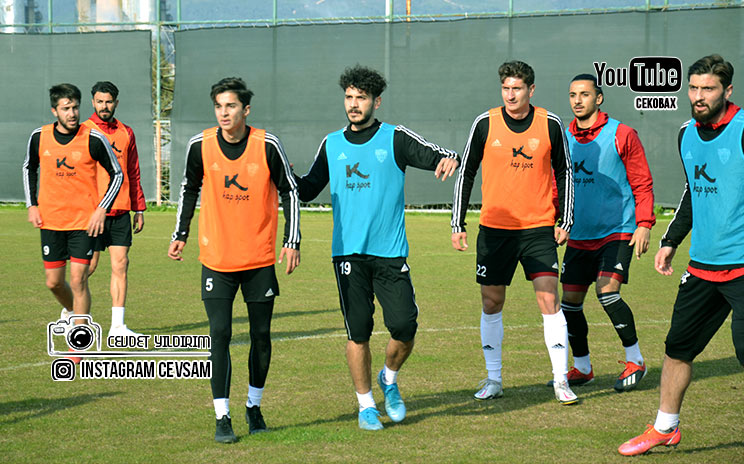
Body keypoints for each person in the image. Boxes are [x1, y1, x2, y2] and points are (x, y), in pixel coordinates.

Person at [295, 65, 459, 431]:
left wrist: (450, 159)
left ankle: (389, 377)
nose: (354, 104)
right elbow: (307, 189)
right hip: (347, 254)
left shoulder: (395, 138)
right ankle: (366, 405)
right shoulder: (331, 143)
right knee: (358, 332)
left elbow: (439, 154)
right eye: (349, 97)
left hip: (389, 252)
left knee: (404, 326)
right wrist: (283, 177)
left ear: (376, 102)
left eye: (362, 98)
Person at [619, 55, 744, 455]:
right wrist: (671, 240)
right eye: (693, 88)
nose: (698, 96)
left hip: (742, 266)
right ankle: (665, 427)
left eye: (708, 88)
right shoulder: (685, 134)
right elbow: (693, 192)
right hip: (703, 266)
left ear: (727, 91)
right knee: (678, 348)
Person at [168, 77, 300, 444]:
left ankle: (253, 407)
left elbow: (290, 191)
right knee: (220, 334)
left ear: (246, 109)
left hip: (258, 259)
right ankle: (222, 416)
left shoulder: (267, 145)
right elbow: (188, 189)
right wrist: (180, 234)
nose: (224, 113)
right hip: (217, 258)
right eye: (218, 106)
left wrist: (292, 241)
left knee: (261, 336)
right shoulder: (200, 146)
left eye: (230, 106)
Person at [451, 60, 577, 405]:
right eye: (506, 88)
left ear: (530, 90)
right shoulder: (484, 123)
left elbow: (565, 172)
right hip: (495, 230)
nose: (510, 95)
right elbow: (466, 172)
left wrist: (565, 220)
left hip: (538, 229)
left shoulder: (550, 123)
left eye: (517, 88)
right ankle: (494, 379)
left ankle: (561, 380)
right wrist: (458, 223)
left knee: (549, 299)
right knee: (491, 302)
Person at [557, 74, 655, 392]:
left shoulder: (622, 134)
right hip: (579, 234)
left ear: (598, 98)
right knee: (570, 303)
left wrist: (644, 224)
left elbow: (642, 182)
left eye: (584, 94)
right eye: (572, 95)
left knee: (607, 292)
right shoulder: (563, 138)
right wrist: (556, 220)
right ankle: (583, 367)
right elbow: (558, 186)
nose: (577, 100)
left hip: (617, 231)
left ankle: (635, 360)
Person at [23, 83, 123, 361]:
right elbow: (29, 168)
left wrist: (101, 209)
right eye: (66, 108)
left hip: (83, 223)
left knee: (78, 280)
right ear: (54, 110)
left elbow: (117, 174)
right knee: (54, 283)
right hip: (51, 221)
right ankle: (72, 312)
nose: (72, 113)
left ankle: (79, 339)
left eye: (75, 107)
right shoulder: (39, 137)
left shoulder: (93, 138)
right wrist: (32, 205)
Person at [82, 81, 147, 338]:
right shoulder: (83, 131)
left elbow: (133, 171)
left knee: (121, 265)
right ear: (93, 102)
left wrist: (139, 208)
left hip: (120, 211)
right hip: (92, 213)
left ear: (116, 103)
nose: (104, 106)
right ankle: (69, 311)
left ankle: (117, 327)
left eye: (108, 101)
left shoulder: (126, 132)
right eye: (99, 101)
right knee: (87, 266)